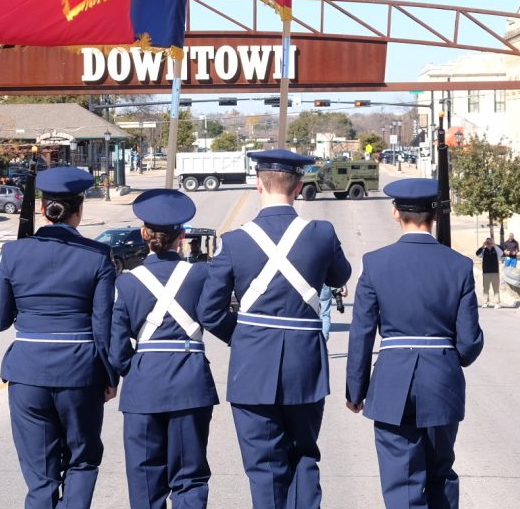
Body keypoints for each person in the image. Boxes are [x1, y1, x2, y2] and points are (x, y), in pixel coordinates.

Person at [199, 148, 352, 509]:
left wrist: (243, 335)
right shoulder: (321, 233)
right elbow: (341, 276)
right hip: (305, 362)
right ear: (298, 187)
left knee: (264, 467)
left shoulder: (235, 242)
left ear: (258, 185)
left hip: (253, 365)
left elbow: (210, 310)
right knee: (304, 456)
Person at [346, 178, 484, 509]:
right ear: (434, 216)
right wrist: (450, 359)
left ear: (396, 213)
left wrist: (356, 389)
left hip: (393, 381)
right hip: (441, 379)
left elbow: (362, 332)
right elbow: (469, 342)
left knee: (401, 481)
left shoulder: (375, 263)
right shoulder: (459, 265)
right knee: (440, 474)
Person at [0, 167, 118, 509]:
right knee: (82, 460)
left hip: (28, 374)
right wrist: (109, 375)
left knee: (40, 477)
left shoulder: (14, 254)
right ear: (79, 209)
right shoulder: (98, 256)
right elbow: (103, 326)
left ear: (43, 208)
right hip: (80, 372)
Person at [110, 189, 234, 509]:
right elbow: (217, 317)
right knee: (189, 478)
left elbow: (116, 344)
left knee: (145, 481)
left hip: (143, 385)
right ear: (182, 236)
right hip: (190, 382)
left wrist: (132, 369)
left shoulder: (126, 282)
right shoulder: (201, 274)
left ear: (143, 233)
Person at [474, 237, 502, 307]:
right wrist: (483, 246)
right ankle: (485, 302)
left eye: (490, 242)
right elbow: (478, 254)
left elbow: (501, 253)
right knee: (486, 288)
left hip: (495, 272)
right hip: (486, 272)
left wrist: (494, 245)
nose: (489, 244)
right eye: (487, 242)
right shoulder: (484, 250)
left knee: (496, 288)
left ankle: (497, 303)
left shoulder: (495, 249)